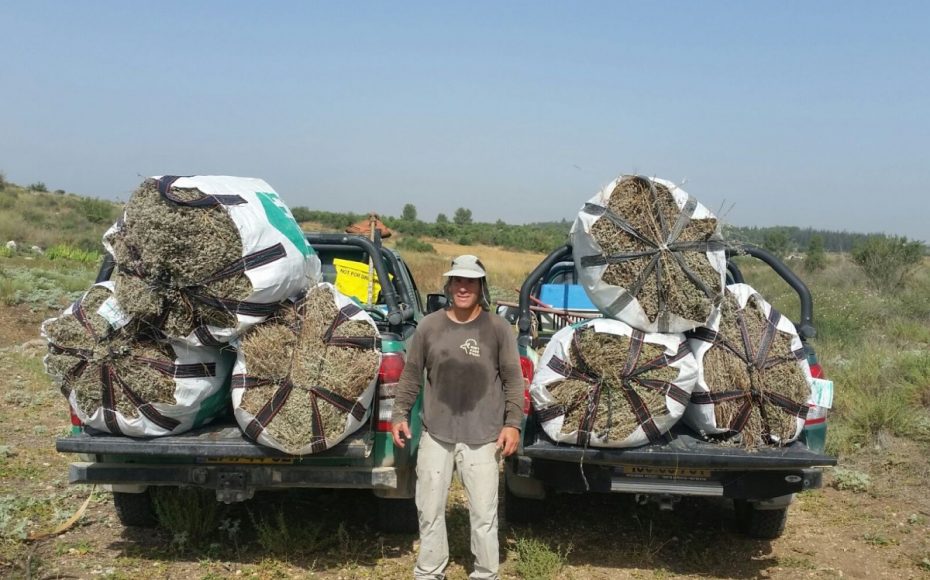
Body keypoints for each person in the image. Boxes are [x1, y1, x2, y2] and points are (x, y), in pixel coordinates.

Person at [392, 254, 525, 580]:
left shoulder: (498, 329)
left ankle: (485, 573)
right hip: (436, 433)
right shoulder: (429, 326)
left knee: (483, 515)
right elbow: (411, 375)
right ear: (449, 286)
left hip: (484, 436)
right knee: (429, 510)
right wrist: (399, 413)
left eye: (470, 281)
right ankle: (429, 571)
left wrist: (512, 424)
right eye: (457, 281)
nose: (463, 287)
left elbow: (513, 379)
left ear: (481, 287)